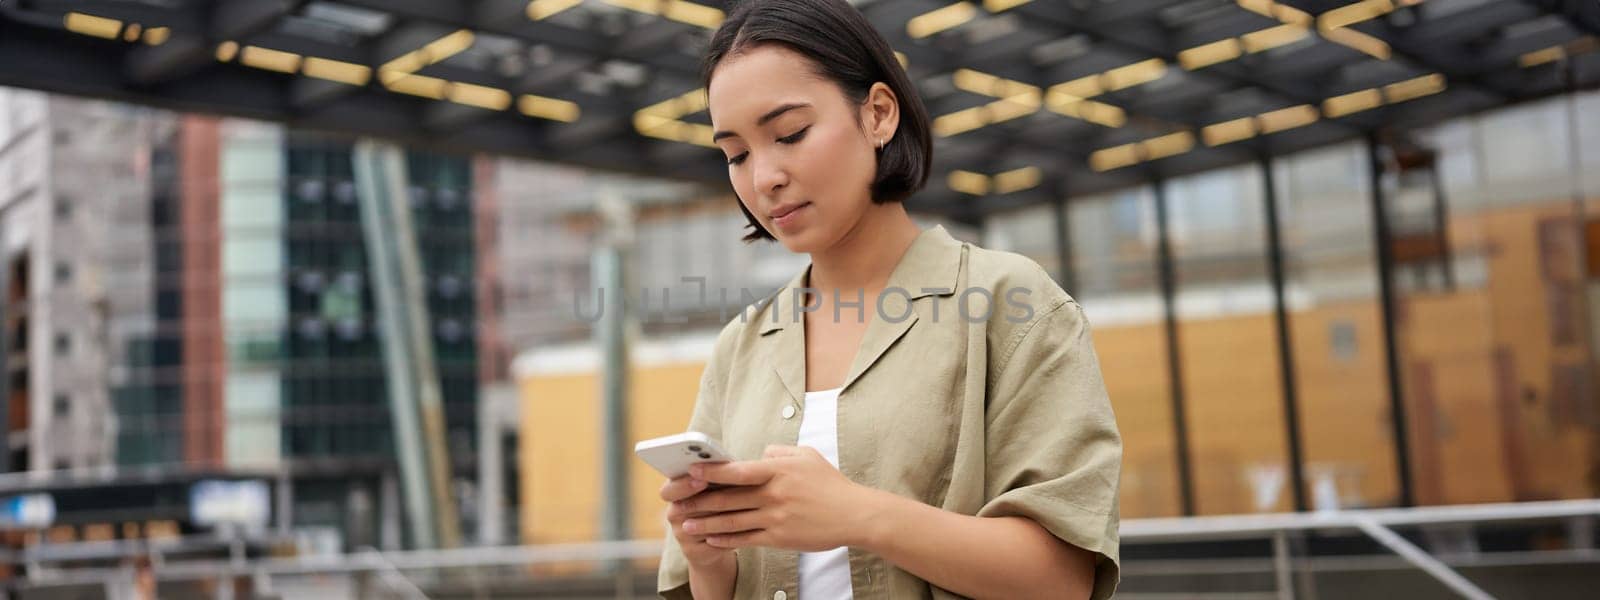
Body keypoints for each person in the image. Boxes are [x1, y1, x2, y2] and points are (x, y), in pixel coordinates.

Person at [656, 0, 1122, 598]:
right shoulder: (740, 346)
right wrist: (709, 562)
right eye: (736, 154)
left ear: (877, 114)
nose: (762, 177)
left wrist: (858, 515)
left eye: (790, 134)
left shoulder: (1011, 303)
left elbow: (1062, 581)